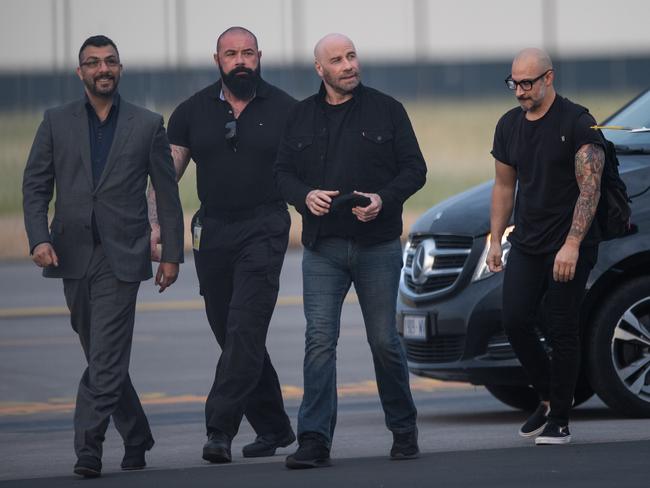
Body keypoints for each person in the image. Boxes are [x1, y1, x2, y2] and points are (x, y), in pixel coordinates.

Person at [22, 35, 184, 478]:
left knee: (107, 356)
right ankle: (136, 434)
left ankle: (88, 447)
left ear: (120, 68)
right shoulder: (55, 121)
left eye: (110, 61)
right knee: (102, 355)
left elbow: (167, 197)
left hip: (123, 254)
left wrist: (171, 254)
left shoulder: (148, 124)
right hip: (69, 254)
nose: (103, 68)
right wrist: (38, 238)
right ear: (81, 73)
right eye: (93, 63)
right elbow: (35, 185)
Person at [275, 33, 426, 469]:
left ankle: (403, 429)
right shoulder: (300, 116)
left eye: (352, 56)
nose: (348, 65)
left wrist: (384, 198)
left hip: (378, 245)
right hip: (322, 248)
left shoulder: (387, 109)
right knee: (319, 342)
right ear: (320, 70)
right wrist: (304, 196)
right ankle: (315, 440)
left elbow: (415, 168)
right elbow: (281, 173)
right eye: (337, 60)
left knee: (384, 342)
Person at [148, 26, 296, 463]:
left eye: (248, 53)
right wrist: (157, 227)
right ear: (217, 60)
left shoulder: (287, 109)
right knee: (230, 333)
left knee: (244, 329)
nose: (240, 61)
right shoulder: (192, 111)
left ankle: (219, 429)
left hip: (266, 226)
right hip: (212, 231)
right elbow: (165, 176)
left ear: (260, 57)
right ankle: (273, 426)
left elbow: (307, 169)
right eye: (231, 54)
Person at [487, 48, 605, 445]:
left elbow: (591, 189)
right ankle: (548, 397)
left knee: (561, 325)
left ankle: (561, 419)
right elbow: (504, 187)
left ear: (549, 78)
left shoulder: (577, 122)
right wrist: (495, 241)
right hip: (528, 241)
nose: (519, 91)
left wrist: (572, 244)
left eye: (527, 83)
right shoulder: (508, 126)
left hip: (570, 241)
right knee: (515, 320)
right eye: (513, 83)